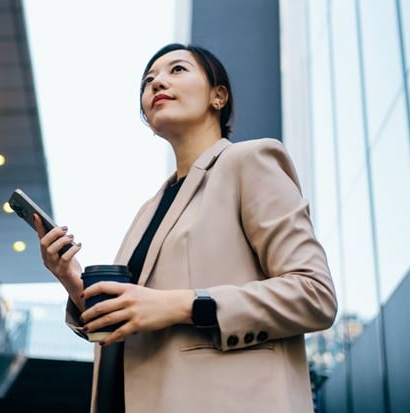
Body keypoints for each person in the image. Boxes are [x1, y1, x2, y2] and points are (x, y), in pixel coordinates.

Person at [34, 43, 337, 413]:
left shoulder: (250, 162)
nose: (157, 82)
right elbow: (130, 318)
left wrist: (182, 304)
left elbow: (315, 296)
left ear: (218, 96)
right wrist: (71, 278)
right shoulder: (149, 209)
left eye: (177, 70)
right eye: (148, 80)